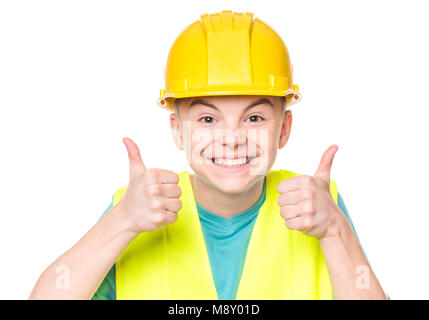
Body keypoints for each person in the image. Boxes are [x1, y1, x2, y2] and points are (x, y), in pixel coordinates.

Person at [30, 10, 387, 300]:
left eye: (254, 118)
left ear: (283, 129)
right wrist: (122, 221)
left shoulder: (320, 207)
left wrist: (334, 230)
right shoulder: (135, 207)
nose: (231, 139)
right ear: (177, 130)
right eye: (207, 119)